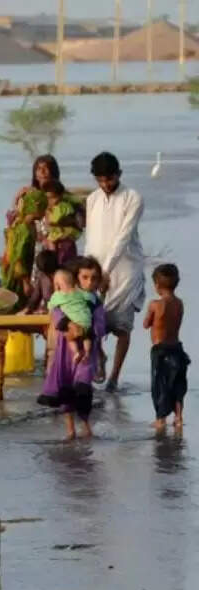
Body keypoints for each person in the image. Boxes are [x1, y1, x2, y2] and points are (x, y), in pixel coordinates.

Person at [85, 151, 146, 392]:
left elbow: (124, 235)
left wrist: (107, 270)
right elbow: (91, 237)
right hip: (96, 270)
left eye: (109, 179)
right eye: (100, 180)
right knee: (92, 323)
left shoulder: (133, 198)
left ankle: (114, 377)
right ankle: (99, 358)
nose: (105, 184)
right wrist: (91, 271)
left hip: (125, 270)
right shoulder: (92, 199)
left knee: (122, 327)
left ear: (118, 175)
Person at [38, 258, 107, 440]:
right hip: (65, 351)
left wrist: (87, 329)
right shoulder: (63, 297)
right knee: (66, 388)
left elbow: (100, 325)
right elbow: (55, 314)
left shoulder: (94, 302)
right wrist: (69, 325)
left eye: (94, 278)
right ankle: (70, 430)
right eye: (85, 277)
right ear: (76, 278)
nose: (89, 283)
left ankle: (86, 426)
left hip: (86, 351)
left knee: (83, 386)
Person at [144, 263, 188, 433]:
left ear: (156, 285)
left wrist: (150, 317)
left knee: (160, 384)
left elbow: (146, 324)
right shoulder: (180, 303)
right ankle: (178, 417)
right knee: (177, 383)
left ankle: (160, 419)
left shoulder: (155, 304)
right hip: (176, 347)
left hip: (160, 349)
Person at [47, 268, 98, 366]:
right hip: (86, 321)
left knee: (69, 337)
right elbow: (91, 298)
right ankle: (87, 353)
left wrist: (49, 307)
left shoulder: (57, 295)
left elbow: (51, 307)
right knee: (87, 337)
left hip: (73, 322)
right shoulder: (80, 291)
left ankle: (76, 352)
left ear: (57, 285)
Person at [44, 180, 81, 264]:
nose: (52, 201)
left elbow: (53, 221)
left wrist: (49, 217)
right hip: (60, 235)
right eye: (48, 198)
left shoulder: (62, 207)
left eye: (54, 197)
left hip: (64, 237)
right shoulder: (52, 208)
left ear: (60, 196)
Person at [25, 249, 58, 314]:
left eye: (51, 273)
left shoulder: (65, 277)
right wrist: (27, 309)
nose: (50, 277)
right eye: (46, 273)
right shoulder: (42, 277)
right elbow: (35, 298)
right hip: (46, 312)